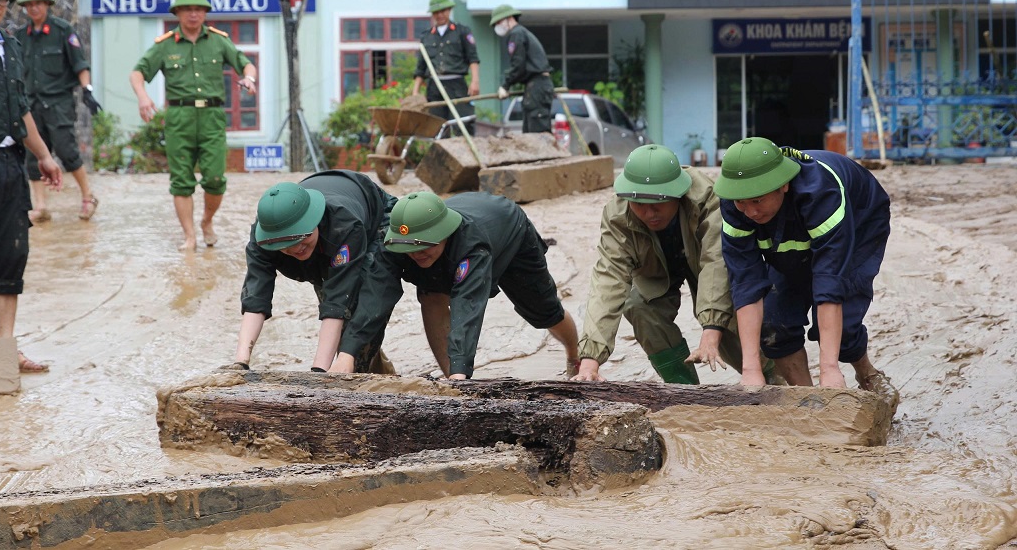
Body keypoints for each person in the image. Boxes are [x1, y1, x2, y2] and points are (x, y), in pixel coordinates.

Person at [573, 144, 778, 384]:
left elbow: (716, 261)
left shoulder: (706, 197)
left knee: (732, 307)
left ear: (677, 194)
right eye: (640, 205)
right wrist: (590, 361)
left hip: (704, 262)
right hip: (654, 269)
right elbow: (608, 280)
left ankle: (771, 378)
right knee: (637, 304)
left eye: (658, 203)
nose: (650, 214)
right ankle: (682, 390)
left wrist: (711, 331)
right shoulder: (617, 215)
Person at [712, 137, 895, 397]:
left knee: (841, 328)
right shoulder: (735, 204)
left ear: (783, 185)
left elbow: (829, 280)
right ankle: (810, 401)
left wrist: (829, 368)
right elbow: (746, 283)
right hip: (785, 228)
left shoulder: (820, 192)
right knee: (775, 326)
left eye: (757, 201)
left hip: (859, 220)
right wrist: (750, 369)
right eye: (742, 202)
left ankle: (866, 372)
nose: (750, 212)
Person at [332, 191, 580, 379]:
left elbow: (467, 308)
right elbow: (374, 297)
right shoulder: (396, 243)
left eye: (423, 245)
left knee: (545, 312)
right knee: (431, 297)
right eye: (409, 248)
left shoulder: (472, 246)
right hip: (449, 239)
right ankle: (453, 380)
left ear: (444, 232)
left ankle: (573, 354)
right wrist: (347, 355)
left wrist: (463, 367)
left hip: (509, 231)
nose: (417, 253)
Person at [129, 0, 258, 251]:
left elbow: (245, 62)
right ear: (177, 12)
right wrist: (143, 96)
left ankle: (207, 221)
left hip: (212, 116)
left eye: (198, 9)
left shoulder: (218, 40)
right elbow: (137, 73)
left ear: (205, 13)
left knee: (214, 178)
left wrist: (249, 78)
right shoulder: (165, 46)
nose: (193, 14)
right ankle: (189, 236)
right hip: (179, 117)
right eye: (187, 9)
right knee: (181, 180)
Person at [234, 171, 400, 373]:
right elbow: (255, 297)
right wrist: (241, 362)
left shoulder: (344, 224)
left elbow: (339, 301)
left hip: (374, 215)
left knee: (361, 299)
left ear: (313, 220)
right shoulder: (265, 238)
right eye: (286, 246)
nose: (295, 249)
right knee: (342, 323)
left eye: (300, 238)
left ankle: (364, 367)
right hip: (324, 242)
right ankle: (371, 366)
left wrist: (318, 373)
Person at [0, 0, 63, 375]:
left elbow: (20, 110)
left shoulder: (11, 47)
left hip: (8, 165)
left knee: (10, 258)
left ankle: (3, 359)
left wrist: (44, 156)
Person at [16, 0, 97, 224]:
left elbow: (80, 65)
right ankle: (40, 206)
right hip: (30, 104)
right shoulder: (20, 37)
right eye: (29, 4)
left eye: (38, 3)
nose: (33, 8)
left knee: (66, 150)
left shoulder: (64, 32)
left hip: (58, 103)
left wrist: (87, 91)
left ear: (48, 5)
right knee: (32, 155)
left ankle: (88, 196)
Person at [411, 0, 480, 127]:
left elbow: (473, 58)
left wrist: (475, 81)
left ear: (449, 10)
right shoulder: (426, 36)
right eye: (436, 12)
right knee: (437, 127)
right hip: (435, 87)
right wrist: (415, 92)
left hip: (457, 86)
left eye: (443, 11)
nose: (440, 15)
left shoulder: (462, 31)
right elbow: (420, 68)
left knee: (464, 123)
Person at [489, 4, 554, 133]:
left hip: (537, 87)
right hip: (536, 86)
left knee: (537, 133)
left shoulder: (516, 34)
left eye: (499, 22)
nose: (498, 26)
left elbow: (518, 65)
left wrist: (505, 85)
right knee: (530, 132)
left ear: (509, 18)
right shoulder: (521, 33)